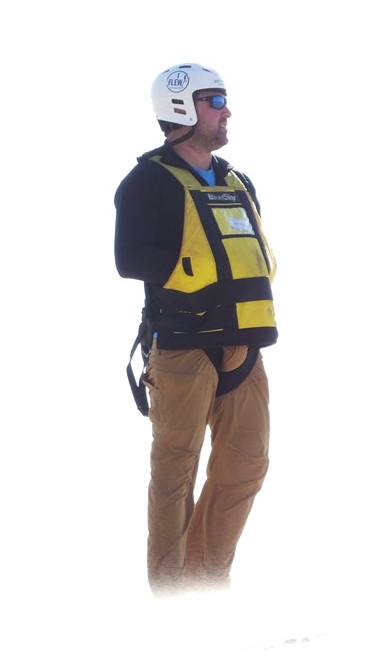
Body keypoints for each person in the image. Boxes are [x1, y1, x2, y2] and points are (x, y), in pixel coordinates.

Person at [113, 63, 278, 595]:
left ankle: (205, 585)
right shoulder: (146, 181)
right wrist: (189, 275)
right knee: (175, 474)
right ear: (181, 107)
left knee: (246, 467)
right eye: (216, 101)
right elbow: (128, 258)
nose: (227, 111)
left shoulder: (237, 180)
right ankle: (171, 598)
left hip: (244, 346)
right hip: (182, 347)